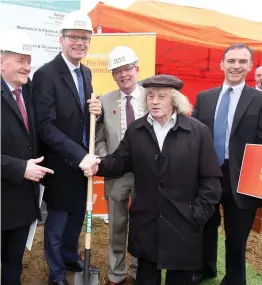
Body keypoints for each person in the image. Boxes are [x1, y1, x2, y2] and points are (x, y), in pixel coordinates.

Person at [81, 74, 222, 285]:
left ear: (174, 100)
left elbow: (211, 180)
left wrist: (198, 215)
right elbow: (119, 161)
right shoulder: (137, 130)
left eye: (162, 97)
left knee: (180, 279)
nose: (154, 101)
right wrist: (98, 164)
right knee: (146, 278)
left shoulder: (197, 132)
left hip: (183, 222)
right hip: (146, 220)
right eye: (150, 96)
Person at [192, 43, 262, 285]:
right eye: (231, 61)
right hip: (207, 174)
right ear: (222, 64)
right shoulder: (205, 97)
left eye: (242, 61)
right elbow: (194, 138)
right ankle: (205, 268)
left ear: (250, 66)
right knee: (205, 225)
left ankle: (235, 278)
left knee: (236, 236)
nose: (236, 66)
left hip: (242, 176)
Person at [32, 10, 101, 285]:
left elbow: (84, 117)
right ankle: (57, 274)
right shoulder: (46, 74)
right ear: (61, 39)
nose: (80, 43)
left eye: (85, 38)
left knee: (76, 216)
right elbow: (46, 126)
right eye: (74, 37)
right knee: (58, 221)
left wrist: (97, 111)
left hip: (83, 162)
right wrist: (78, 155)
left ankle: (70, 257)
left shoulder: (86, 72)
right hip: (61, 163)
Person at [1, 30, 54, 285]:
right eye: (20, 60)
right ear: (2, 61)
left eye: (29, 60)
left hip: (22, 201)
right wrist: (19, 167)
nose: (27, 67)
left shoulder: (30, 93)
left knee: (13, 263)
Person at [95, 46, 142, 285]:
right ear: (112, 75)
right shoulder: (104, 100)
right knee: (116, 225)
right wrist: (108, 160)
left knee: (142, 223)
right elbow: (98, 137)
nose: (124, 75)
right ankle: (117, 273)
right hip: (117, 175)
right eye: (118, 71)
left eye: (127, 69)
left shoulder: (151, 95)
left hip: (147, 175)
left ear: (137, 69)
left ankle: (137, 270)